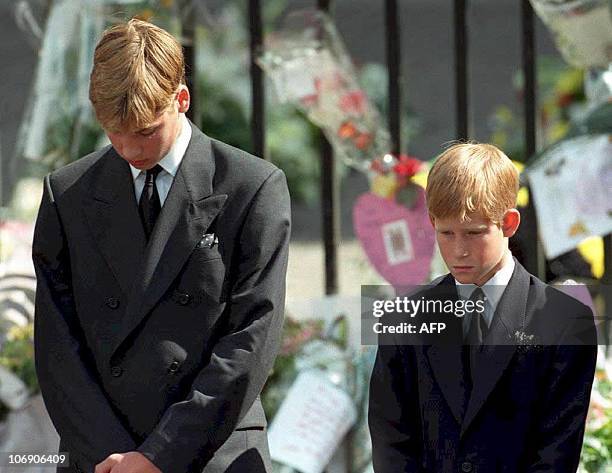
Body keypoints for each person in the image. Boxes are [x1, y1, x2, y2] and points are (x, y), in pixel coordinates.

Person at [32, 18, 290, 473]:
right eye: (115, 132)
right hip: (101, 458)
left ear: (181, 100)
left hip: (210, 452)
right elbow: (57, 347)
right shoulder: (67, 194)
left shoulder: (253, 188)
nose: (131, 148)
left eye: (147, 131)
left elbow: (251, 338)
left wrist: (158, 456)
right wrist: (114, 458)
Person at [368, 143, 597, 472]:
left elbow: (557, 451)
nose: (458, 250)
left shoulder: (564, 320)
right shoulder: (405, 316)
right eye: (445, 233)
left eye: (474, 233)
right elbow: (392, 441)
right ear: (431, 221)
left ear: (509, 224)